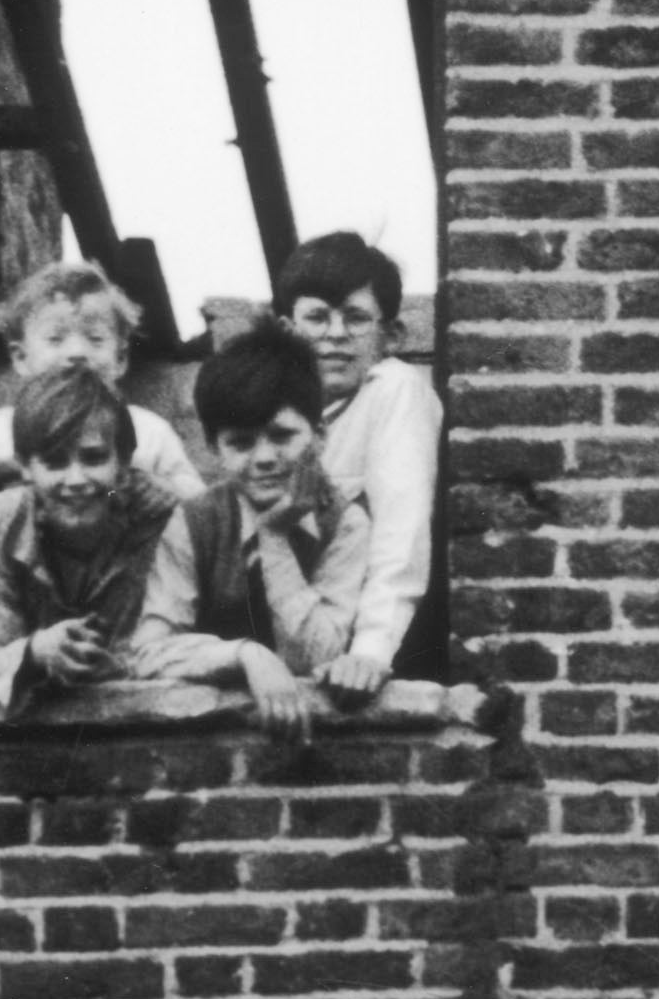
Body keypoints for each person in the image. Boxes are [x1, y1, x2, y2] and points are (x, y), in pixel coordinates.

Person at [133, 321, 370, 731]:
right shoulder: (195, 521)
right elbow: (149, 651)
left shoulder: (344, 523)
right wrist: (245, 656)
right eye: (241, 442)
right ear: (214, 451)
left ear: (319, 435)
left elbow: (314, 660)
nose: (263, 457)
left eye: (282, 436)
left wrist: (274, 537)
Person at [0, 370, 179, 717]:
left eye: (93, 458)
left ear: (123, 464)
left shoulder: (158, 521)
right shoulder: (0, 521)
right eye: (54, 462)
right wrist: (35, 652)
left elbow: (174, 647)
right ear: (25, 466)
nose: (75, 480)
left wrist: (116, 663)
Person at [271, 230, 442, 698]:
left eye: (356, 318)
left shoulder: (393, 389)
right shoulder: (280, 411)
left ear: (391, 335)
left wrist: (371, 651)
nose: (336, 335)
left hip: (376, 651)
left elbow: (400, 534)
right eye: (317, 318)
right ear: (287, 330)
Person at [0, 257, 201, 501]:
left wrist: (162, 488)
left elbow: (196, 497)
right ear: (20, 357)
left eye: (95, 338)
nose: (77, 352)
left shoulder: (150, 433)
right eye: (55, 339)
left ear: (121, 358)